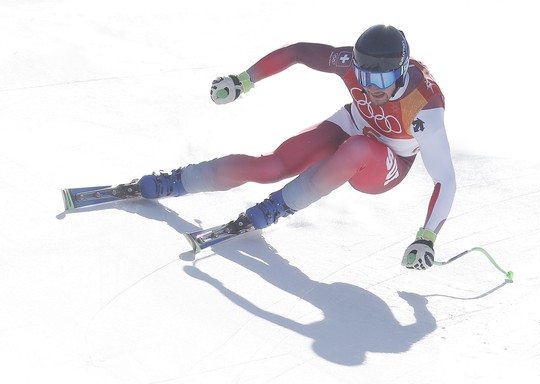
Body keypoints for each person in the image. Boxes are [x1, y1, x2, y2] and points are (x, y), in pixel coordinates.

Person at [137, 24, 456, 271]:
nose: (373, 88)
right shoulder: (348, 62)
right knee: (273, 166)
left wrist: (426, 238)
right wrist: (243, 81)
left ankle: (279, 205)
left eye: (384, 80)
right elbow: (299, 51)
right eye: (364, 77)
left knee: (357, 148)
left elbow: (445, 180)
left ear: (400, 73)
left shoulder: (423, 105)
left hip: (386, 164)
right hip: (353, 124)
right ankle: (180, 179)